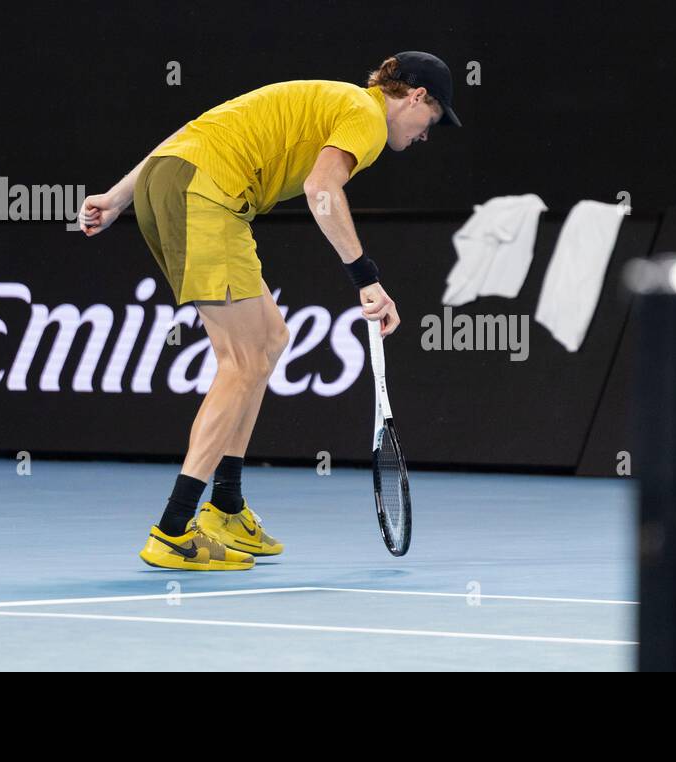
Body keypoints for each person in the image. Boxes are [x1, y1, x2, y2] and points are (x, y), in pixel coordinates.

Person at [77, 52, 461, 570]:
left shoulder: (331, 99)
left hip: (170, 181)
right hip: (205, 194)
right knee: (244, 362)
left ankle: (227, 507)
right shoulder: (366, 118)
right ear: (416, 97)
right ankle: (173, 528)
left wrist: (120, 196)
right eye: (431, 120)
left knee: (269, 342)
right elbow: (320, 190)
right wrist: (366, 280)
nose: (425, 135)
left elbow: (193, 132)